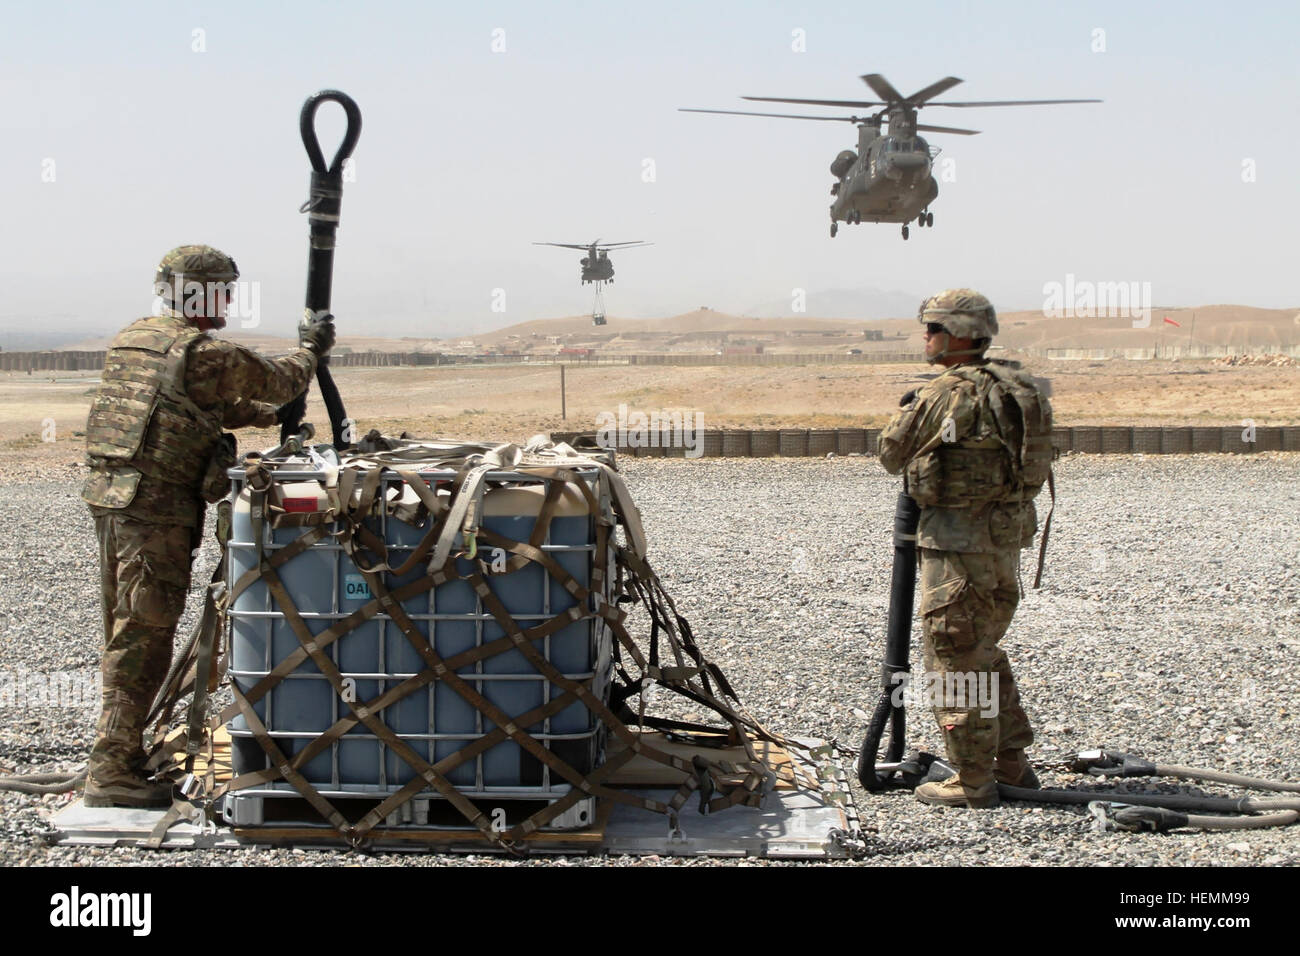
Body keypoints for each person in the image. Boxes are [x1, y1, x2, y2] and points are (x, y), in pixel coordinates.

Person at [80, 244, 336, 808]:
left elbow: (192, 404)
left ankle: (117, 754)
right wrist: (312, 347)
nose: (227, 301)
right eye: (222, 290)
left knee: (127, 628)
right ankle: (111, 770)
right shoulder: (203, 351)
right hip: (154, 512)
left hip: (114, 501)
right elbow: (279, 378)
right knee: (143, 635)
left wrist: (267, 418)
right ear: (199, 291)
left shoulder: (136, 338)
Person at [878, 289, 1053, 808]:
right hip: (1003, 542)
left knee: (953, 658)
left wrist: (907, 411)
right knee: (982, 651)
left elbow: (892, 454)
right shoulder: (1020, 387)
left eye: (932, 328)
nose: (926, 338)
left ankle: (973, 779)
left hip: (957, 546)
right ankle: (1012, 762)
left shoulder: (948, 393)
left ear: (956, 334)